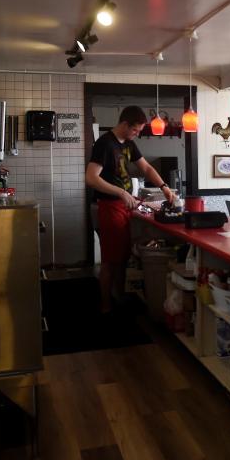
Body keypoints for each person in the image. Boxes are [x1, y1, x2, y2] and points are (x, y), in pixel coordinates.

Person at [86, 106, 175, 313]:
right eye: (135, 130)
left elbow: (146, 168)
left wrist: (164, 187)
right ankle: (105, 305)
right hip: (109, 206)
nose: (137, 134)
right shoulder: (105, 144)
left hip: (125, 205)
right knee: (110, 259)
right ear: (125, 124)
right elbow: (91, 178)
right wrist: (121, 192)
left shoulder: (129, 143)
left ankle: (120, 295)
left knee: (123, 257)